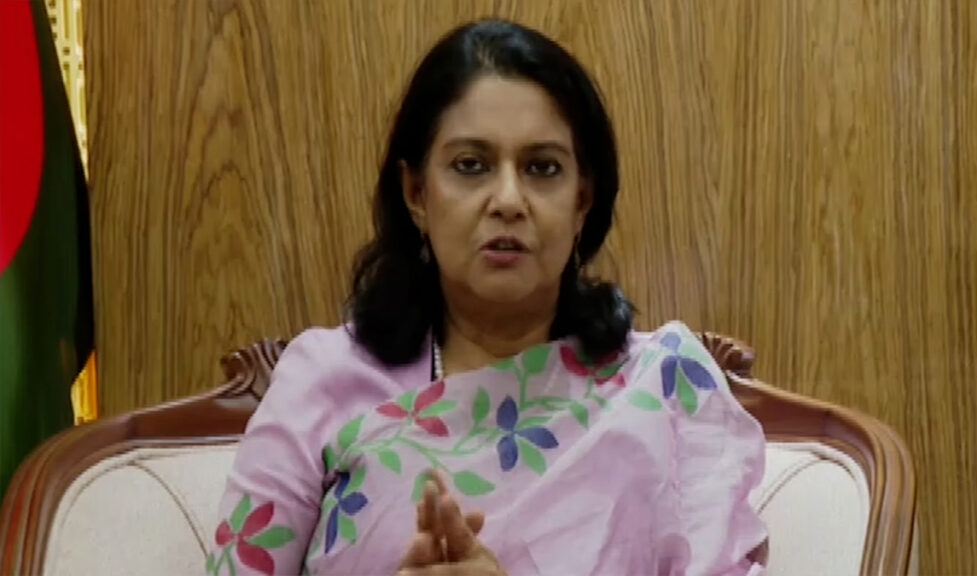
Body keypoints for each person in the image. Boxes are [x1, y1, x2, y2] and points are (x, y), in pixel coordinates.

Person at [207, 18, 767, 576]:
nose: (508, 200)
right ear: (416, 193)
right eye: (471, 166)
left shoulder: (664, 386)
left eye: (542, 168)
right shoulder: (322, 380)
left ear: (583, 201)